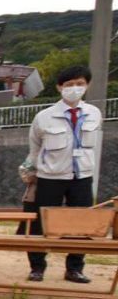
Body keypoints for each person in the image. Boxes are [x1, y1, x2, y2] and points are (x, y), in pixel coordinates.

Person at [25, 66, 101, 283]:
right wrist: (34, 172)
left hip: (82, 175)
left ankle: (75, 267)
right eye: (69, 85)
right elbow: (35, 147)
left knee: (81, 223)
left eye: (79, 84)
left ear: (87, 85)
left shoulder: (93, 114)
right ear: (60, 87)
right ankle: (37, 266)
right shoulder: (44, 116)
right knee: (41, 222)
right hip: (51, 176)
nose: (74, 88)